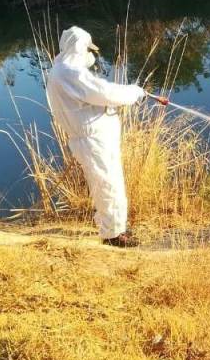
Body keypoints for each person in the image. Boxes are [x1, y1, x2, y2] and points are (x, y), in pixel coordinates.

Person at [46, 26, 165, 248]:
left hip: (92, 139)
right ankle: (113, 236)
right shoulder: (71, 73)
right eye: (87, 49)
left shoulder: (62, 71)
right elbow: (105, 93)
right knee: (108, 185)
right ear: (79, 47)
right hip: (93, 140)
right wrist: (135, 92)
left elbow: (96, 92)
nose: (90, 54)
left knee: (106, 183)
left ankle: (115, 228)